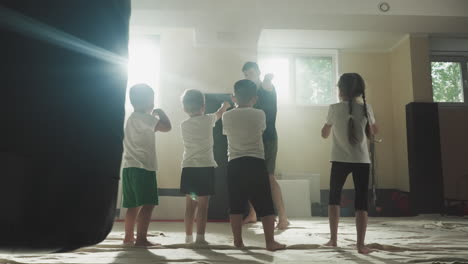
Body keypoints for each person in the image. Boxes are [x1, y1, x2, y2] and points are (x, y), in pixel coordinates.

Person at [222, 79, 286, 251]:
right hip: (256, 162)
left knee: (235, 205)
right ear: (255, 98)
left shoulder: (226, 115)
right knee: (265, 204)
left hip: (234, 163)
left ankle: (237, 241)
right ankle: (270, 242)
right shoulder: (260, 114)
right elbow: (262, 130)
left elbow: (226, 133)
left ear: (233, 97)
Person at [321, 73, 378, 254]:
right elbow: (374, 132)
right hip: (362, 160)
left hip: (339, 159)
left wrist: (330, 127)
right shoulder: (367, 108)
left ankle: (333, 239)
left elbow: (324, 133)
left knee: (333, 199)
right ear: (360, 91)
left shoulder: (334, 108)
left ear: (340, 90)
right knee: (361, 202)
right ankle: (361, 245)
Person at [122, 83, 172, 247]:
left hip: (129, 167)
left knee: (132, 205)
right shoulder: (145, 118)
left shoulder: (132, 119)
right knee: (148, 204)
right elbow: (167, 128)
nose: (153, 103)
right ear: (146, 102)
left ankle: (128, 237)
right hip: (143, 167)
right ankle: (141, 239)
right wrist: (161, 113)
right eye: (152, 99)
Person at [242, 62, 290, 229]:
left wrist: (268, 78)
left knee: (269, 178)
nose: (249, 76)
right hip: (251, 138)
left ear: (258, 72)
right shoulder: (248, 94)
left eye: (252, 72)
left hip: (268, 138)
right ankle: (253, 213)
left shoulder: (266, 87)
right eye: (246, 74)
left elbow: (267, 83)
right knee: (249, 177)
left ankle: (283, 217)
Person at [180, 89, 230, 244]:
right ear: (203, 106)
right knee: (203, 206)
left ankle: (188, 237)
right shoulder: (208, 119)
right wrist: (225, 105)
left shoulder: (183, 125)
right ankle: (200, 238)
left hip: (188, 169)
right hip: (205, 169)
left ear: (184, 108)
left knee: (190, 206)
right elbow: (220, 113)